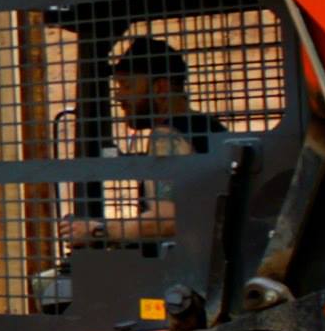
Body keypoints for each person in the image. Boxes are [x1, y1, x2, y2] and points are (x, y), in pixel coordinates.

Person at [68, 36, 230, 246]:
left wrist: (97, 230)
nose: (119, 97)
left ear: (160, 87)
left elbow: (165, 221)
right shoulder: (208, 126)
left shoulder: (166, 137)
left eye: (127, 86)